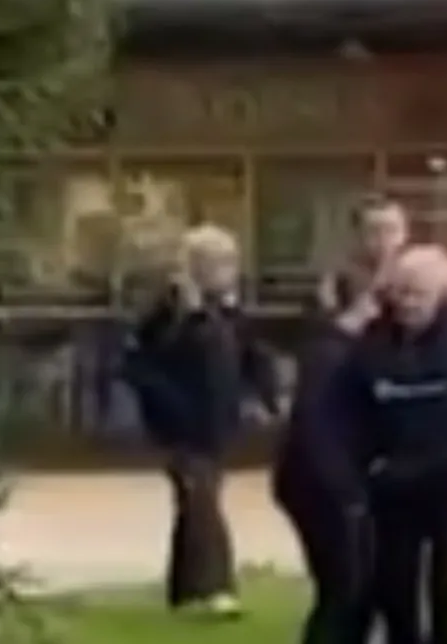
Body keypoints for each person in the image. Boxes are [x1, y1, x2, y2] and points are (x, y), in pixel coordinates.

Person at [340, 244, 447, 644]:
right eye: (402, 293)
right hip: (390, 482)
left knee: (445, 570)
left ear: (443, 296)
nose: (409, 304)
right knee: (395, 572)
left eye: (420, 295)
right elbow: (353, 407)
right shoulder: (371, 345)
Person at [122, 224, 282, 618]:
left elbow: (253, 355)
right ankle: (216, 586)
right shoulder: (168, 312)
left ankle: (184, 590)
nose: (228, 270)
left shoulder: (228, 312)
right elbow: (142, 361)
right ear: (194, 266)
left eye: (230, 262)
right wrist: (165, 402)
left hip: (217, 423)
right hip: (180, 424)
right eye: (217, 263)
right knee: (201, 498)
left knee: (193, 503)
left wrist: (264, 397)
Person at [272, 271, 382, 644]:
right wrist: (346, 492)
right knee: (346, 591)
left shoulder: (335, 347)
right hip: (323, 487)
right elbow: (316, 428)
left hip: (321, 483)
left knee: (350, 589)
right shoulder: (331, 353)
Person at [324, 193, 411, 313]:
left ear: (405, 234)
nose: (384, 239)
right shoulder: (338, 282)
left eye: (392, 230)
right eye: (374, 231)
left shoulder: (421, 279)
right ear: (356, 235)